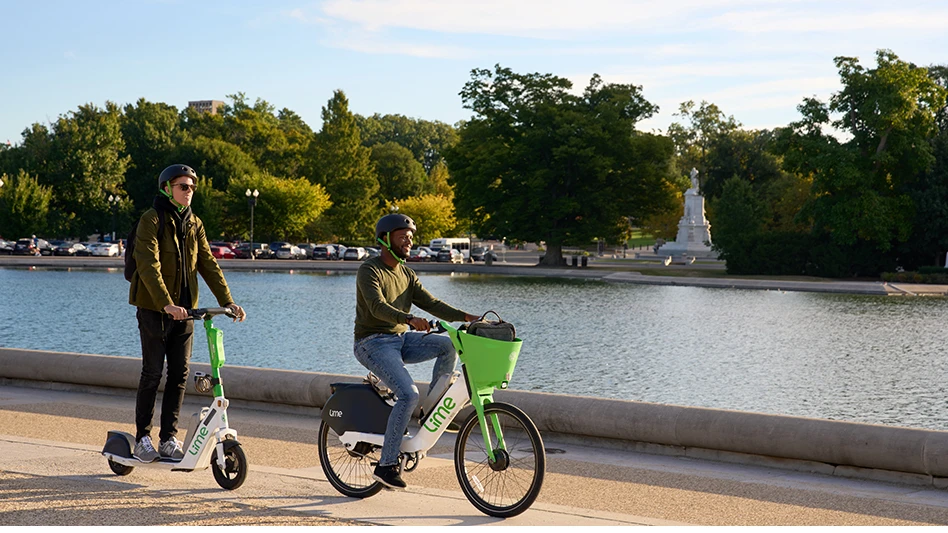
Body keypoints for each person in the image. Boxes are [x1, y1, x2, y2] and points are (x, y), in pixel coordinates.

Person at [128, 164, 246, 463]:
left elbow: (208, 263)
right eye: (182, 186)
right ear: (167, 188)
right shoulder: (151, 219)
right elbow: (148, 265)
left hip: (186, 311)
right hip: (154, 309)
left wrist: (228, 301)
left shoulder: (195, 223)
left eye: (192, 187)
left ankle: (168, 438)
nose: (188, 191)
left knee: (180, 374)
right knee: (152, 373)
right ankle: (143, 436)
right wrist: (166, 303)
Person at [353, 214, 480, 490]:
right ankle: (385, 466)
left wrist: (468, 317)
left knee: (448, 345)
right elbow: (377, 307)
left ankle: (432, 411)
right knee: (408, 393)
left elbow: (432, 304)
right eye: (403, 236)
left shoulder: (407, 274)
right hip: (371, 342)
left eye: (411, 237)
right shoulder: (369, 270)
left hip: (399, 339)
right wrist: (409, 319)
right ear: (385, 239)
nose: (409, 241)